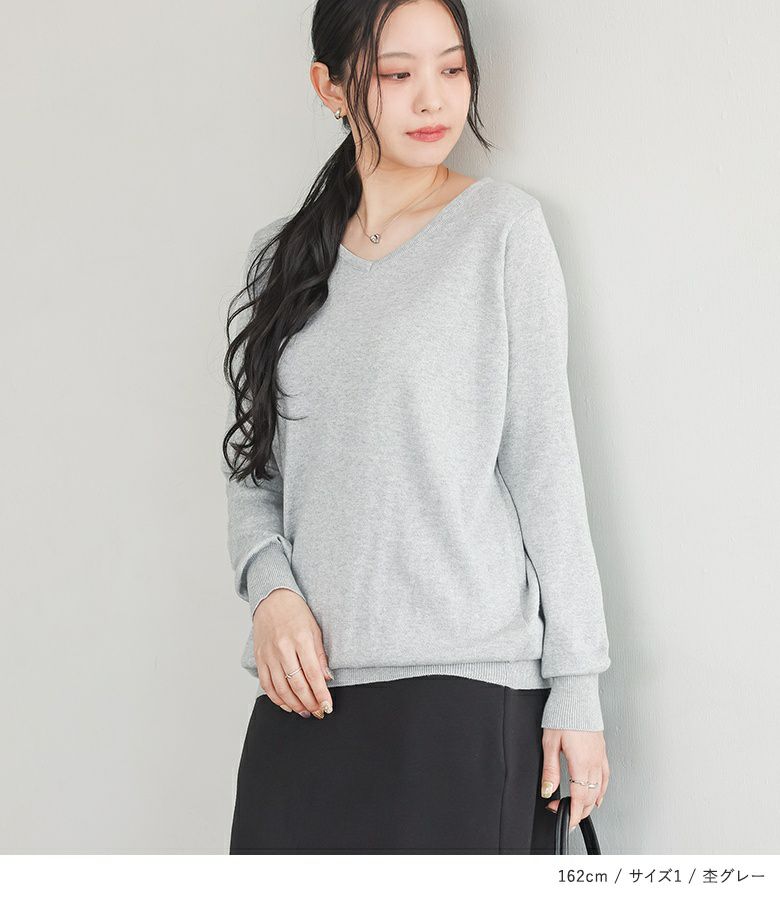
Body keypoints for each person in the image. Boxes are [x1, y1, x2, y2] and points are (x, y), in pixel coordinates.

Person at [221, 0, 611, 854]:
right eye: (397, 74)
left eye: (453, 68)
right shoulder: (278, 259)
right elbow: (254, 471)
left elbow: (544, 464)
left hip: (465, 697)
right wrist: (271, 594)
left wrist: (578, 686)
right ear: (330, 87)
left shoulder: (501, 229)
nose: (433, 98)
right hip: (305, 699)